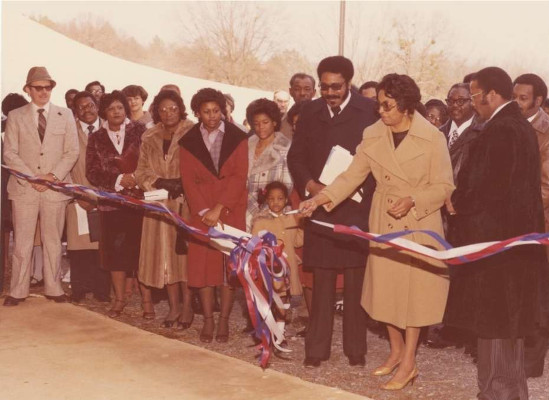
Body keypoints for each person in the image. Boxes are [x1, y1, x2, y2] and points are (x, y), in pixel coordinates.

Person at [299, 72, 454, 390]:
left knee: (414, 296)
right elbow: (350, 176)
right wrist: (318, 199)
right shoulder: (373, 135)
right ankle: (395, 350)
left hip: (419, 224)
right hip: (383, 221)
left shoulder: (433, 138)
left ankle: (409, 361)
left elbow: (444, 186)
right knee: (385, 291)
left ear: (407, 106)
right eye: (379, 105)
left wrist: (413, 199)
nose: (381, 111)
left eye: (387, 105)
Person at [445, 67, 546, 400]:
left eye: (474, 96)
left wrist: (457, 202)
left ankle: (496, 393)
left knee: (495, 324)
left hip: (496, 246)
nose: (474, 104)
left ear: (491, 94)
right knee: (510, 324)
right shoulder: (520, 127)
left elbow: (487, 187)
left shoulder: (500, 130)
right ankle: (513, 391)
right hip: (515, 244)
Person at [287, 55, 378, 368]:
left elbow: (379, 159)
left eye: (336, 87)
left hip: (357, 207)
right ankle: (316, 349)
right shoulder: (310, 111)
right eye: (324, 87)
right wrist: (310, 186)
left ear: (349, 83)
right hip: (321, 208)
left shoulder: (370, 110)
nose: (329, 93)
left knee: (355, 280)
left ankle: (356, 348)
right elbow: (295, 157)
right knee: (322, 280)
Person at [3, 66, 79, 306]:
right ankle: (17, 291)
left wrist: (52, 176)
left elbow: (72, 151)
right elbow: (10, 154)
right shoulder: (15, 116)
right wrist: (33, 178)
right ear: (28, 90)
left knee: (53, 240)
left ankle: (54, 288)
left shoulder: (65, 115)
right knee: (23, 242)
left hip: (54, 189)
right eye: (38, 88)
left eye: (48, 87)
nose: (44, 92)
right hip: (24, 188)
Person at [179, 88, 247, 343]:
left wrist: (220, 207)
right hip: (202, 211)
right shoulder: (188, 140)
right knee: (204, 267)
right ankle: (207, 319)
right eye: (206, 112)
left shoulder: (238, 137)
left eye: (216, 111)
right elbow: (188, 180)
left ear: (223, 110)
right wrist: (205, 210)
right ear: (197, 113)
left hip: (231, 208)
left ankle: (224, 321)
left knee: (227, 268)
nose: (212, 117)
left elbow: (240, 175)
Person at [135, 90, 195, 328]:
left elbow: (201, 167)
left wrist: (183, 183)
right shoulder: (149, 136)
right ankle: (173, 307)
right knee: (165, 258)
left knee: (184, 256)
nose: (168, 113)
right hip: (158, 204)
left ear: (181, 109)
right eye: (163, 109)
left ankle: (188, 306)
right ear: (156, 111)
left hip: (186, 202)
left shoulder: (193, 132)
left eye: (173, 108)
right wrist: (160, 182)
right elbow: (140, 171)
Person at [86, 90, 147, 318]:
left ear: (126, 109)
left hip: (139, 202)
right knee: (114, 253)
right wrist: (118, 180)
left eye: (120, 107)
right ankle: (119, 299)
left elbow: (149, 161)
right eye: (111, 108)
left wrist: (136, 179)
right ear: (104, 112)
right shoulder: (96, 138)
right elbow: (91, 171)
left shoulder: (140, 131)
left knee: (141, 251)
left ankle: (147, 301)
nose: (116, 112)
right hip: (110, 202)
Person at [512, 73, 549, 379]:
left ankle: (531, 363)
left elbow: (546, 186)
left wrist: (516, 208)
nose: (517, 103)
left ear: (538, 100)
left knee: (538, 297)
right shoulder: (505, 126)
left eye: (523, 98)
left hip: (538, 226)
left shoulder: (546, 132)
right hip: (509, 226)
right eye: (514, 96)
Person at [66, 91, 111, 303]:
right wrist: (78, 195)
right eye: (81, 107)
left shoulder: (109, 128)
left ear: (97, 105)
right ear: (75, 111)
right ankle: (80, 289)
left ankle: (102, 290)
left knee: (102, 244)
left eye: (90, 105)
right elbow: (64, 165)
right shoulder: (69, 131)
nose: (87, 110)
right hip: (78, 195)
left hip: (105, 195)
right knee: (79, 245)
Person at [251, 181, 304, 317]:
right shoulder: (260, 221)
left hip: (288, 268)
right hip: (269, 269)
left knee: (283, 300)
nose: (276, 202)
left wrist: (302, 225)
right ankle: (269, 329)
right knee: (269, 299)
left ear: (286, 200)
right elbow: (254, 245)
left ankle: (280, 332)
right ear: (267, 200)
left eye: (280, 199)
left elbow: (297, 242)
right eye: (272, 199)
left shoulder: (291, 219)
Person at [245, 98, 293, 230]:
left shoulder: (285, 148)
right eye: (256, 123)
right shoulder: (246, 145)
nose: (261, 128)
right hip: (245, 210)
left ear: (274, 122)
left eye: (265, 122)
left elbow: (287, 186)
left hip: (272, 213)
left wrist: (269, 206)